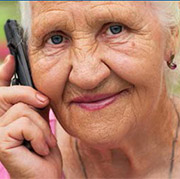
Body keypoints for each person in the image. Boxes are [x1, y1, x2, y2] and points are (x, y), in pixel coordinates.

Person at [0, 1, 180, 179]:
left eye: (115, 29)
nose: (86, 76)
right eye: (56, 39)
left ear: (171, 35)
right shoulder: (11, 153)